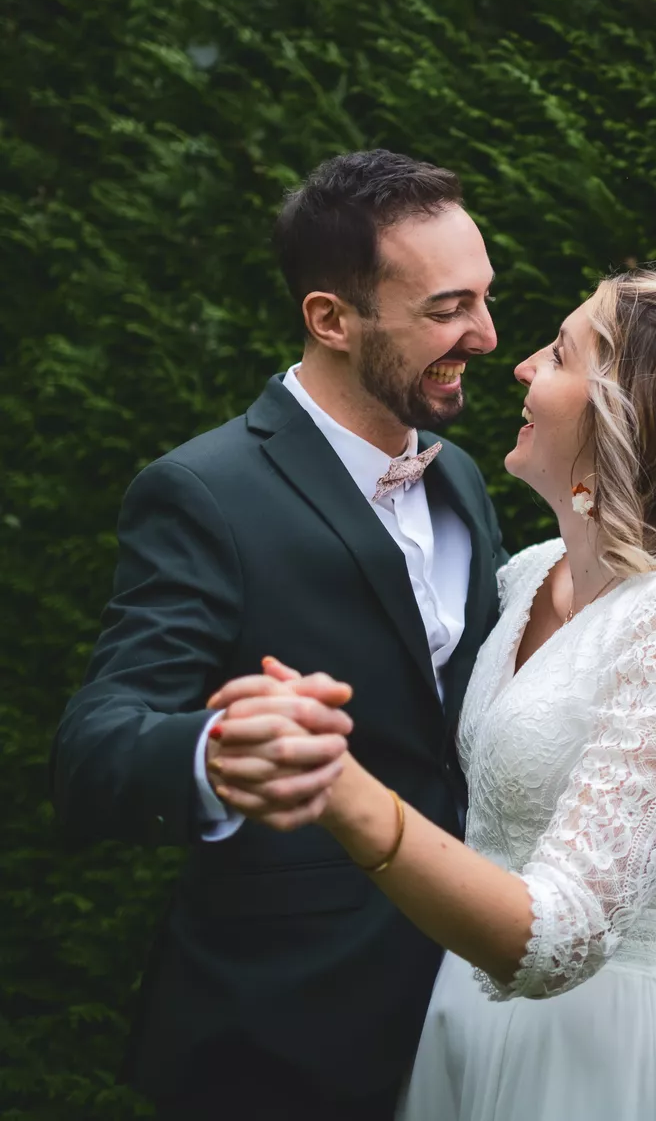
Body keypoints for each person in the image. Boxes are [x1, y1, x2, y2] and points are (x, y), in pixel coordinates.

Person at [206, 267, 656, 1121]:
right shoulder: (527, 580)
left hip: (616, 1064)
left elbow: (562, 937)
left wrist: (336, 785)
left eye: (558, 354)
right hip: (463, 1035)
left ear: (620, 415)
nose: (519, 366)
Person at [50, 150, 507, 1120]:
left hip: (472, 1014)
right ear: (330, 319)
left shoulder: (460, 477)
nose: (486, 335)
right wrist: (214, 755)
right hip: (279, 1033)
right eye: (446, 309)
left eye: (485, 299)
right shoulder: (203, 492)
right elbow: (93, 747)